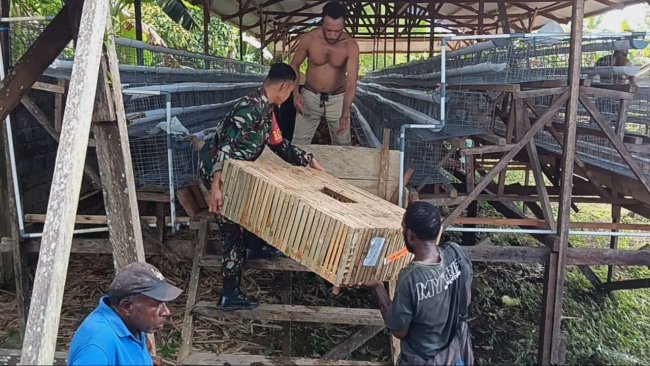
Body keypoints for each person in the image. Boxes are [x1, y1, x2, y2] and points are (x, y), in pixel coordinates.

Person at [201, 62, 324, 311]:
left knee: (254, 203)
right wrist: (216, 185)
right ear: (284, 86)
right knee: (232, 230)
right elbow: (225, 146)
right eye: (291, 92)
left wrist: (307, 160)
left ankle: (256, 247)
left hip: (236, 172)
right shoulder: (249, 108)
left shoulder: (266, 111)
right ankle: (230, 294)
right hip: (221, 173)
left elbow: (279, 144)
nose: (290, 97)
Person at [358, 201, 474, 366]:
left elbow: (399, 331)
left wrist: (379, 288)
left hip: (423, 359)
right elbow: (467, 299)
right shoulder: (455, 252)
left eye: (403, 228)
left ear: (410, 235)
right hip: (456, 352)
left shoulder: (411, 278)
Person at [68, 262, 182, 366]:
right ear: (127, 307)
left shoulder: (133, 325)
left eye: (164, 304)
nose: (166, 312)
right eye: (156, 305)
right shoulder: (97, 345)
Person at [290, 1, 359, 146]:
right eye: (328, 30)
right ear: (322, 23)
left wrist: (345, 115)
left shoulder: (350, 45)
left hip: (338, 98)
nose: (333, 35)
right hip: (310, 95)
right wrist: (296, 94)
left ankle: (341, 169)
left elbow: (352, 83)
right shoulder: (309, 39)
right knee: (298, 143)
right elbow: (294, 65)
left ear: (344, 25)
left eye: (337, 31)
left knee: (343, 145)